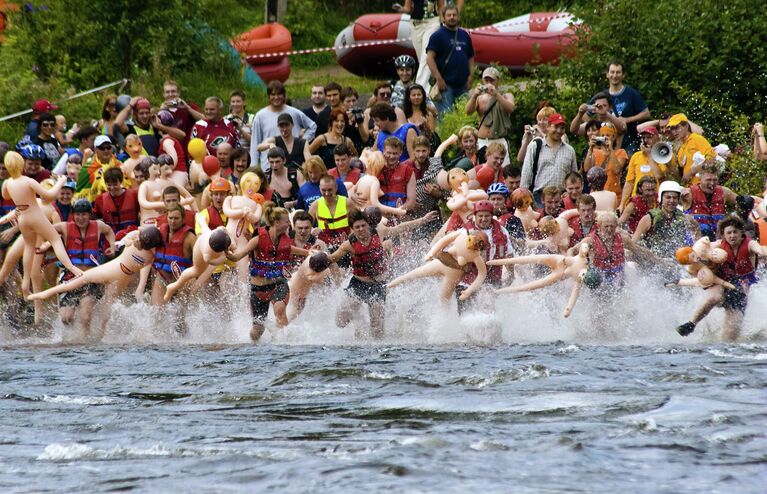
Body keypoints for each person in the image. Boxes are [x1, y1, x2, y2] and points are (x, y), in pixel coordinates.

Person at [1, 151, 83, 298]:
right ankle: (72, 269)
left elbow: (6, 195)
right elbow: (49, 196)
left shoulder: (8, 183)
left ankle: (25, 284)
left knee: (29, 247)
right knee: (55, 239)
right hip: (34, 215)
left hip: (23, 218)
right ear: (21, 164)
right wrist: (61, 182)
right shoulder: (27, 181)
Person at [28, 226, 164, 312]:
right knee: (107, 305)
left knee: (82, 280)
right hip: (121, 275)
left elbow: (128, 238)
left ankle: (45, 294)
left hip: (114, 270)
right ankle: (102, 333)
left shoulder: (134, 239)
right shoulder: (150, 255)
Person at [226, 203, 309, 341]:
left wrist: (308, 252)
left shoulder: (284, 240)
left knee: (280, 310)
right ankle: (253, 347)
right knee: (257, 330)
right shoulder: (258, 239)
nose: (289, 224)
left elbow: (290, 249)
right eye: (287, 221)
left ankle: (286, 344)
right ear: (277, 222)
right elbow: (238, 256)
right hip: (258, 289)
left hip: (278, 284)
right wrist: (227, 253)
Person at [675, 215, 767, 341]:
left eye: (735, 232)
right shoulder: (717, 245)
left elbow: (760, 249)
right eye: (729, 233)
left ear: (742, 233)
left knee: (728, 339)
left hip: (739, 287)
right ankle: (691, 324)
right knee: (715, 297)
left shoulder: (750, 244)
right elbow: (697, 253)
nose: (732, 236)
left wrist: (763, 251)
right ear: (723, 235)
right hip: (720, 281)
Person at [48, 199, 116, 339]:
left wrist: (113, 246)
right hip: (70, 277)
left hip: (91, 277)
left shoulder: (98, 226)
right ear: (73, 215)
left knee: (85, 317)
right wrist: (45, 244)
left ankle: (86, 342)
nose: (80, 218)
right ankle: (72, 338)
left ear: (89, 215)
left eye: (84, 215)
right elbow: (46, 229)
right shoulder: (65, 227)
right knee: (66, 318)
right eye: (77, 215)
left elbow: (109, 231)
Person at [491, 243, 595, 318]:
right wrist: (586, 248)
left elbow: (575, 292)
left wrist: (568, 309)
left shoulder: (583, 273)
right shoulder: (583, 258)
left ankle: (499, 290)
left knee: (530, 286)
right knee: (526, 260)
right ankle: (494, 263)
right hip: (557, 261)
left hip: (558, 272)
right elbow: (584, 246)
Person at [331, 210, 391, 338]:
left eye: (363, 225)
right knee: (340, 321)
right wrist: (318, 257)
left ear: (368, 225)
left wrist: (422, 220)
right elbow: (332, 259)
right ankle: (359, 321)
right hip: (358, 284)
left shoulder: (378, 233)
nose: (361, 229)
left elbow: (400, 228)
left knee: (377, 331)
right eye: (357, 227)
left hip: (378, 286)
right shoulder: (348, 245)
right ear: (352, 229)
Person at [251, 81, 317, 169]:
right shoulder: (260, 116)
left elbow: (312, 126)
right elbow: (255, 142)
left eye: (279, 94)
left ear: (284, 95)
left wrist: (302, 142)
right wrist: (253, 167)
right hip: (269, 166)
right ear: (268, 97)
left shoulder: (294, 112)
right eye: (273, 94)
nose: (276, 97)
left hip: (295, 166)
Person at [520, 113, 578, 208]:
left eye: (562, 128)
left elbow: (574, 176)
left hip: (562, 198)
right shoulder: (535, 145)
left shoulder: (570, 150)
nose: (559, 131)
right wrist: (524, 197)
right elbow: (527, 173)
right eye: (556, 127)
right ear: (548, 127)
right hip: (539, 198)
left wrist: (570, 192)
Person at [426, 4, 474, 116]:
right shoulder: (437, 36)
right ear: (443, 17)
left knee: (464, 115)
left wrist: (471, 77)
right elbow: (429, 58)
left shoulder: (464, 35)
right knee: (445, 117)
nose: (452, 17)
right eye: (449, 15)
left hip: (463, 85)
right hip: (446, 85)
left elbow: (470, 57)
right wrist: (438, 78)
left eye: (454, 15)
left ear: (458, 17)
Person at [392, 1, 454, 88]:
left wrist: (444, 23)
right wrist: (400, 9)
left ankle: (418, 88)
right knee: (422, 60)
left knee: (426, 56)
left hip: (432, 23)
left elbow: (441, 8)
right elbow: (408, 9)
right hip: (415, 25)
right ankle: (433, 85)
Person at [163, 226, 233, 303]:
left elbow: (206, 228)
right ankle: (174, 285)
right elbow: (209, 261)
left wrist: (202, 221)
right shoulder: (207, 253)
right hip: (200, 252)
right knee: (196, 270)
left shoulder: (216, 232)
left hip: (205, 240)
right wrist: (220, 260)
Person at [633, 181, 699, 259]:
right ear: (661, 198)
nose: (672, 201)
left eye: (675, 198)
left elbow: (697, 236)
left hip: (678, 261)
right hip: (654, 261)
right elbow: (634, 244)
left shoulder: (686, 218)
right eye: (668, 197)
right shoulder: (648, 219)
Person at [464, 67, 515, 165]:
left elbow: (510, 108)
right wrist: (474, 96)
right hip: (483, 141)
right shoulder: (479, 98)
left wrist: (496, 95)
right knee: (482, 172)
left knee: (503, 171)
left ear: (498, 80)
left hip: (499, 140)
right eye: (486, 80)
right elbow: (468, 111)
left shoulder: (506, 95)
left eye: (492, 80)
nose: (489, 82)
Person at [600, 61, 651, 154]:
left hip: (629, 142)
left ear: (623, 75)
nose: (615, 75)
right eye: (612, 72)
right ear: (607, 74)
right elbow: (587, 113)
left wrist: (627, 120)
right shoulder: (602, 96)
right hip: (607, 143)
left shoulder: (631, 93)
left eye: (618, 72)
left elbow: (646, 113)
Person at [682, 162, 737, 240]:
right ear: (700, 179)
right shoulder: (688, 193)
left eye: (715, 180)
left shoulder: (724, 192)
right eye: (708, 180)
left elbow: (743, 201)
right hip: (696, 243)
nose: (712, 183)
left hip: (718, 242)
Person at [114, 97, 184, 157]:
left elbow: (182, 135)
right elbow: (117, 123)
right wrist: (130, 105)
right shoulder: (131, 129)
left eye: (147, 113)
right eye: (141, 113)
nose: (145, 116)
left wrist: (161, 126)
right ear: (135, 115)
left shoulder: (155, 128)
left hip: (157, 168)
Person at [620, 126, 668, 209]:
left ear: (657, 138)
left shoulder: (663, 155)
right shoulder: (636, 156)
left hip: (655, 200)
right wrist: (622, 204)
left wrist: (649, 155)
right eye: (644, 138)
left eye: (649, 137)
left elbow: (659, 176)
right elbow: (629, 182)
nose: (646, 140)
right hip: (637, 199)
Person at [666, 113, 715, 186]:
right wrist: (668, 165)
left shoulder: (697, 139)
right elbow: (682, 176)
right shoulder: (681, 148)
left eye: (676, 127)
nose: (674, 132)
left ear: (686, 126)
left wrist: (691, 172)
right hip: (690, 189)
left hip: (703, 186)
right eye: (672, 129)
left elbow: (712, 160)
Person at [93, 167, 140, 240]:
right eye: (109, 185)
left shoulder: (134, 195)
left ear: (121, 182)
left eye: (115, 184)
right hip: (110, 239)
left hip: (131, 237)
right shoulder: (100, 199)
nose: (112, 188)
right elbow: (95, 218)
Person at [582, 124, 627, 197]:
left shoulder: (621, 152)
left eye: (608, 135)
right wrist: (590, 149)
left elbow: (616, 170)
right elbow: (587, 169)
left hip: (614, 195)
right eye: (602, 135)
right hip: (596, 194)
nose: (604, 138)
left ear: (614, 137)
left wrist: (610, 149)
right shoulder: (595, 151)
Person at [310, 175, 353, 249]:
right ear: (319, 188)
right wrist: (312, 230)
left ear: (336, 188)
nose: (327, 193)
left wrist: (352, 236)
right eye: (323, 190)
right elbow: (305, 225)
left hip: (346, 244)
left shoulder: (347, 203)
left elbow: (358, 222)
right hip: (324, 246)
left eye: (330, 190)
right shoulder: (315, 205)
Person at [379, 138, 417, 211]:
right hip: (379, 214)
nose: (392, 156)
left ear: (401, 153)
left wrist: (395, 212)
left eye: (395, 153)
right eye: (389, 153)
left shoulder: (408, 171)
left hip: (399, 215)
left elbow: (411, 202)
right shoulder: (377, 168)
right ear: (383, 151)